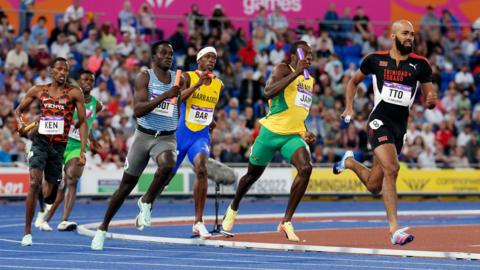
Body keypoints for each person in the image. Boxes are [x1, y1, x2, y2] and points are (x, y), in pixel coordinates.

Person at [333, 20, 437, 246]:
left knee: (373, 186)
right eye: (405, 33)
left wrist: (431, 101)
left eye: (412, 34)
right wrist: (349, 106)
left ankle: (349, 163)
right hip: (378, 121)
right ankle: (394, 230)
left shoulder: (421, 65)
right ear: (393, 36)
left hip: (399, 128)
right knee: (392, 168)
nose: (410, 37)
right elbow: (353, 82)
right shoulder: (374, 60)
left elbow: (430, 99)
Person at [91, 41, 182, 250]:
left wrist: (189, 89)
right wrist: (165, 95)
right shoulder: (145, 77)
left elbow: (178, 99)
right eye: (164, 53)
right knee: (125, 187)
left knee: (168, 164)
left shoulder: (179, 78)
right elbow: (138, 110)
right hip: (143, 136)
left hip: (166, 137)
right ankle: (102, 229)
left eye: (171, 53)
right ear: (154, 57)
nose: (169, 56)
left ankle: (147, 201)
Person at [222, 41, 316, 242]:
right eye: (305, 53)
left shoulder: (310, 80)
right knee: (251, 176)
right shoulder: (284, 68)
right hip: (270, 132)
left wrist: (305, 131)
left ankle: (286, 221)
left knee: (306, 168)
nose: (309, 57)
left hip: (291, 135)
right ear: (294, 55)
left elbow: (298, 109)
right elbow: (268, 92)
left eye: (311, 54)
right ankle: (233, 207)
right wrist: (295, 73)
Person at [15, 57, 88, 246]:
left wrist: (82, 150)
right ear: (51, 71)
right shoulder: (39, 90)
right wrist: (22, 125)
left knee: (50, 195)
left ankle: (44, 200)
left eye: (66, 70)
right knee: (33, 182)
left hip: (59, 147)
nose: (63, 73)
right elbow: (18, 111)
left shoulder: (74, 93)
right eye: (59, 69)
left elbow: (83, 123)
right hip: (40, 142)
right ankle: (27, 232)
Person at [38, 70, 103, 231]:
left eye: (91, 80)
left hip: (77, 147)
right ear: (78, 82)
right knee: (56, 185)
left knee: (72, 179)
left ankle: (64, 220)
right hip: (59, 144)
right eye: (84, 79)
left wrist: (92, 139)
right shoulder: (67, 99)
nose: (88, 82)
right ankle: (45, 215)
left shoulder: (97, 104)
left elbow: (87, 123)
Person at [170, 47, 223, 239]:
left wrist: (211, 119)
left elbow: (207, 107)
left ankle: (198, 222)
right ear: (199, 60)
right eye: (208, 57)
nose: (211, 60)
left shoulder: (219, 84)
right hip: (180, 134)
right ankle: (146, 203)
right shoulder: (187, 76)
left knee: (201, 169)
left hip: (200, 136)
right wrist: (198, 84)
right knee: (165, 177)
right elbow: (175, 100)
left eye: (214, 58)